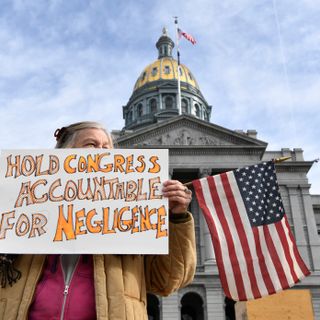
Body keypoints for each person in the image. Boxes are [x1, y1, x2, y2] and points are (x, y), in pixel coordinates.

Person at [0, 121, 196, 320]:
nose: (101, 153)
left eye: (106, 148)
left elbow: (166, 281)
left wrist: (177, 218)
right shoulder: (27, 209)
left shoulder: (132, 217)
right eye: (91, 145)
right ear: (62, 155)